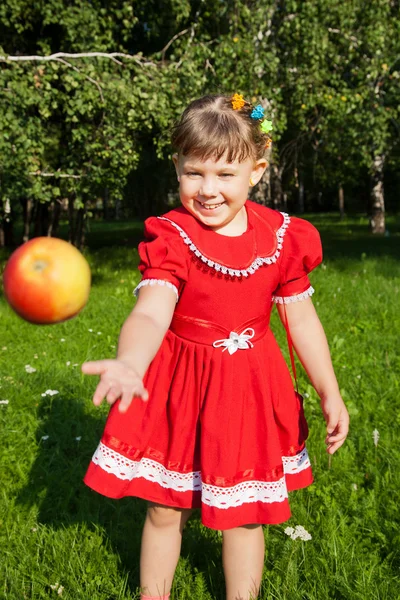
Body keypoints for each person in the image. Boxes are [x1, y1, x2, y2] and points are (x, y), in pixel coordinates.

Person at [82, 93, 349, 600]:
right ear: (177, 167)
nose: (207, 190)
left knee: (246, 513)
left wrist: (329, 390)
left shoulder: (281, 237)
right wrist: (130, 360)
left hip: (249, 385)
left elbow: (302, 320)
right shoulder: (171, 236)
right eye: (193, 173)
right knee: (165, 505)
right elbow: (152, 308)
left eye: (225, 175)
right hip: (178, 384)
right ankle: (152, 594)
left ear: (256, 170)